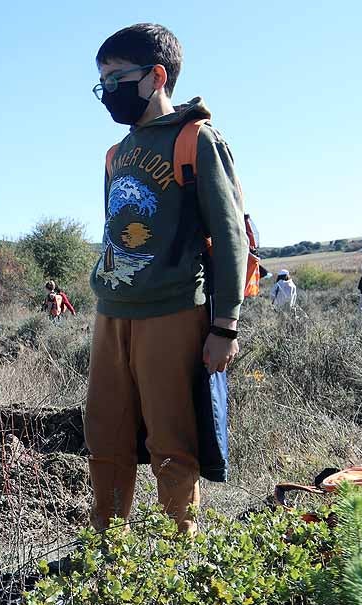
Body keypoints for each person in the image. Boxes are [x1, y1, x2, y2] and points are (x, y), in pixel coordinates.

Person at [87, 23, 246, 533]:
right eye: (102, 82)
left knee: (172, 447)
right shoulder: (116, 155)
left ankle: (179, 564)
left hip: (174, 312)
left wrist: (225, 326)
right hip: (111, 316)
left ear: (156, 76)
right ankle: (107, 556)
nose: (107, 91)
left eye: (116, 78)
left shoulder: (195, 141)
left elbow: (229, 237)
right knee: (105, 440)